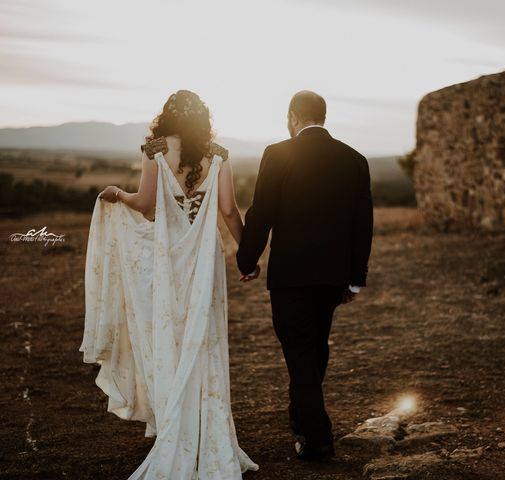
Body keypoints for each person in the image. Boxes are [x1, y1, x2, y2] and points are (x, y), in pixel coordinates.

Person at [79, 90, 259, 479]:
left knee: (173, 339)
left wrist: (118, 194)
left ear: (167, 118)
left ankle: (178, 429)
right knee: (204, 340)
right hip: (204, 263)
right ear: (203, 120)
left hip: (169, 261)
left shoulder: (155, 151)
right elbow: (228, 210)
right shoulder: (220, 155)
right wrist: (248, 257)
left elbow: (145, 205)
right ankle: (205, 432)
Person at [236, 90, 374, 461]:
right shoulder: (354, 160)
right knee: (315, 349)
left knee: (301, 355)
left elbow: (261, 212)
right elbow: (363, 225)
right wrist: (355, 278)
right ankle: (300, 417)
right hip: (332, 278)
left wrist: (247, 260)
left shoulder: (278, 154)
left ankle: (318, 439)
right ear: (322, 117)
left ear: (294, 116)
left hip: (291, 277)